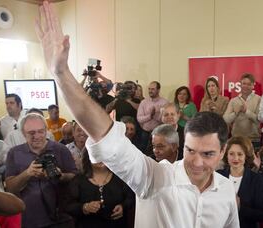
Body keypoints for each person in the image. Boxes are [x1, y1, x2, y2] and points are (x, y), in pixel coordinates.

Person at [36, 2, 239, 228]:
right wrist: (61, 73)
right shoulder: (157, 178)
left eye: (208, 153)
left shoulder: (226, 189)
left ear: (223, 151)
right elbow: (107, 137)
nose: (197, 162)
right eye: (190, 150)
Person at [5, 113, 77, 228]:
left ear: (46, 130)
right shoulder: (14, 153)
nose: (37, 136)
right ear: (23, 133)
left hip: (61, 217)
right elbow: (10, 188)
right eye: (31, 133)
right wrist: (27, 173)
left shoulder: (61, 149)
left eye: (41, 131)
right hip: (29, 219)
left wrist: (60, 175)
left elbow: (75, 177)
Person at [65, 149, 134, 228]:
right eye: (96, 155)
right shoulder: (78, 180)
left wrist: (123, 207)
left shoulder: (120, 177)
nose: (101, 158)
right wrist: (84, 207)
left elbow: (130, 198)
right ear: (88, 157)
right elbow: (67, 206)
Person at [218, 136, 263, 228]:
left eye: (240, 154)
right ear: (226, 155)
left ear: (246, 156)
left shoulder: (256, 179)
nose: (235, 158)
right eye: (231, 154)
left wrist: (240, 207)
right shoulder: (218, 176)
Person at [224, 73, 261, 150]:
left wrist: (246, 111)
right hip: (236, 139)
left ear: (252, 86)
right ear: (240, 84)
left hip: (253, 140)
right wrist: (235, 113)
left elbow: (259, 120)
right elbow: (225, 119)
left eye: (249, 84)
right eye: (244, 83)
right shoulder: (233, 101)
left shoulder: (259, 99)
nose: (246, 86)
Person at [136, 81, 168, 151]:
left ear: (158, 90)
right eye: (149, 89)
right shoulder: (144, 102)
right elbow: (139, 119)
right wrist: (150, 116)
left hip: (159, 134)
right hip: (145, 133)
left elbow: (165, 120)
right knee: (143, 152)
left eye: (153, 89)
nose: (150, 91)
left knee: (158, 152)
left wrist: (155, 115)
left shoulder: (165, 103)